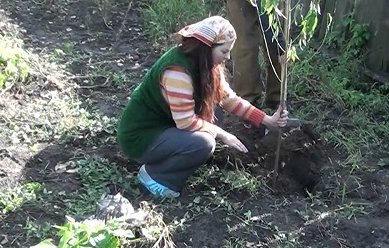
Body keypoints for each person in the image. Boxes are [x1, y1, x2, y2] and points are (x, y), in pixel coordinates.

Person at [116, 16, 289, 199]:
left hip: (165, 126)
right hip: (141, 137)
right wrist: (224, 135)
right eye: (224, 51)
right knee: (204, 143)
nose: (228, 57)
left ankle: (176, 156)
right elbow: (185, 122)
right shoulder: (177, 71)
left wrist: (267, 120)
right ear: (207, 47)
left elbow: (229, 99)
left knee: (215, 114)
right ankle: (155, 176)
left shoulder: (205, 63)